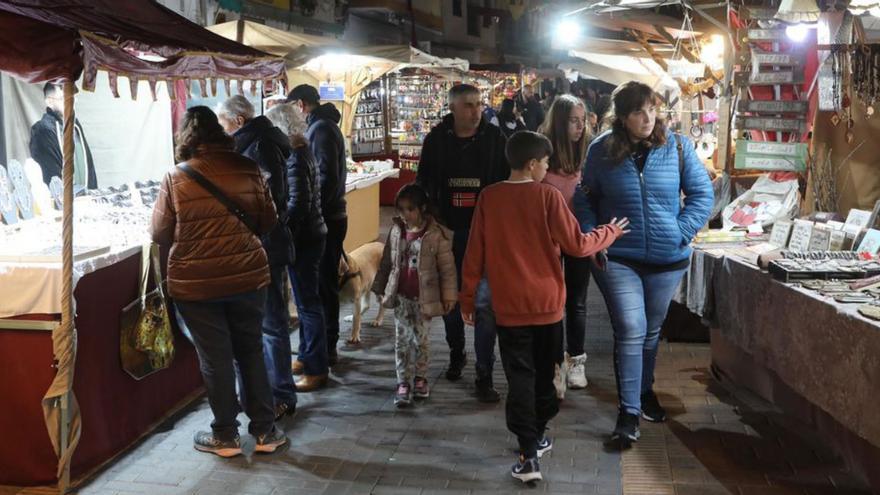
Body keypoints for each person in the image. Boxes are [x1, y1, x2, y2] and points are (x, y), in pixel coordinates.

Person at [460, 131, 628, 483]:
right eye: (546, 162)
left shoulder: (490, 198)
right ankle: (536, 435)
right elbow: (578, 245)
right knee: (548, 376)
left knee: (519, 377)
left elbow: (474, 254)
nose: (549, 168)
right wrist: (609, 233)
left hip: (509, 309)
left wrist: (468, 297)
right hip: (548, 307)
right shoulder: (549, 197)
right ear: (533, 163)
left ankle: (528, 453)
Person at [573, 81, 713, 448]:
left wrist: (680, 231)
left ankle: (645, 392)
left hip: (668, 259)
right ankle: (628, 412)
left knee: (651, 332)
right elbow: (584, 198)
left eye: (652, 109)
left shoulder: (678, 147)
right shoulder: (601, 151)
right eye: (638, 111)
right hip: (618, 257)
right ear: (621, 117)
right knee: (631, 329)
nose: (648, 117)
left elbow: (702, 194)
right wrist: (594, 235)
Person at [151, 106, 287, 457]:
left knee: (216, 358)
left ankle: (225, 435)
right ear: (221, 134)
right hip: (247, 276)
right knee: (251, 351)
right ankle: (265, 431)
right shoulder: (248, 168)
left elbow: (158, 231)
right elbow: (269, 220)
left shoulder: (175, 176)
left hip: (196, 284)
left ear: (186, 138)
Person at [416, 83, 508, 402]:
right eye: (469, 105)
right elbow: (422, 184)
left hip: (485, 236)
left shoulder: (495, 140)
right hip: (447, 232)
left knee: (484, 304)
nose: (476, 110)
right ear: (453, 108)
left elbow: (508, 182)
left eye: (479, 104)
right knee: (451, 301)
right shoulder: (436, 141)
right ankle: (457, 353)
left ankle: (485, 372)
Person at [216, 95, 297, 419]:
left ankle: (280, 395)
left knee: (272, 324)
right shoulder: (259, 142)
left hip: (265, 246)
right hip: (265, 245)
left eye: (223, 123)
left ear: (238, 121)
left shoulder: (258, 146)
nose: (222, 130)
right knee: (265, 325)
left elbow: (271, 199)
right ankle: (265, 395)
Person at [372, 183, 457, 408]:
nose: (405, 214)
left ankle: (420, 378)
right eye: (401, 209)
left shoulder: (435, 235)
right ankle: (403, 382)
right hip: (401, 297)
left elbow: (447, 269)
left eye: (410, 209)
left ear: (422, 208)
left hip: (424, 299)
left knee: (421, 340)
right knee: (401, 341)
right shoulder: (397, 231)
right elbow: (387, 263)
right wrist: (380, 288)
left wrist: (449, 296)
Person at [266, 102, 331, 392]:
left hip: (304, 239)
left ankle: (317, 368)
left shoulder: (294, 156)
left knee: (307, 304)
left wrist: (282, 228)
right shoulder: (302, 151)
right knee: (307, 302)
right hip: (312, 235)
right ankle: (307, 356)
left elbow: (298, 204)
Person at [286, 84, 347, 367]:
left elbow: (326, 176)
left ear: (300, 104)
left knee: (323, 286)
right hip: (331, 215)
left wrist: (313, 209)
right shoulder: (324, 126)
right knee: (322, 285)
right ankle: (321, 346)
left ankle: (327, 346)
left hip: (329, 217)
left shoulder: (320, 129)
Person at [539, 95, 593, 396]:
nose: (580, 126)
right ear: (560, 122)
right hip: (546, 241)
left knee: (577, 301)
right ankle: (554, 362)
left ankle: (576, 360)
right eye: (574, 120)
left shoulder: (588, 152)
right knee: (551, 303)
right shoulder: (542, 151)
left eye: (582, 120)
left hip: (578, 238)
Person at [29, 82, 98, 190]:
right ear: (49, 102)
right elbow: (50, 175)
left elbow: (89, 166)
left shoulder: (75, 126)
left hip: (85, 199)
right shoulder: (42, 130)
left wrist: (93, 194)